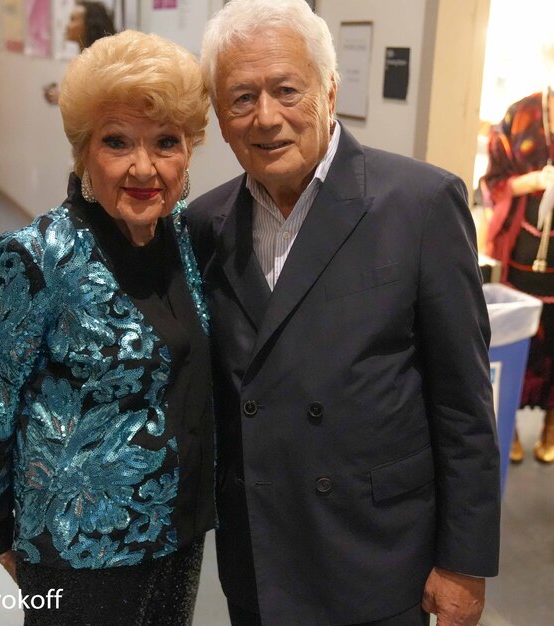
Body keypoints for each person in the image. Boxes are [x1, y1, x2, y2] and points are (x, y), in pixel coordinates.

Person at [186, 1, 501, 625]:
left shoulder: (420, 205)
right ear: (219, 118)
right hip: (261, 555)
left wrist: (464, 562)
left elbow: (464, 404)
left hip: (377, 559)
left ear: (330, 90)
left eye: (286, 90)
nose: (266, 118)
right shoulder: (204, 225)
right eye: (241, 98)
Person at [0, 30, 214, 625]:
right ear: (84, 152)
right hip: (77, 560)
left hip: (177, 540)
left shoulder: (186, 240)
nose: (145, 167)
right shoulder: (38, 258)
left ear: (190, 149)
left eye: (166, 142)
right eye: (118, 142)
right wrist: (1, 537)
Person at [483, 42, 554, 464]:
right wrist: (529, 184)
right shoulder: (522, 113)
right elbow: (493, 180)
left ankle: (551, 425)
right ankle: (505, 422)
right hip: (522, 251)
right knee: (516, 341)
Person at [43, 1, 116, 105]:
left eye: (73, 19)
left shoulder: (100, 61)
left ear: (88, 24)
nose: (68, 26)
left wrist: (63, 98)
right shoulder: (83, 58)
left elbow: (96, 102)